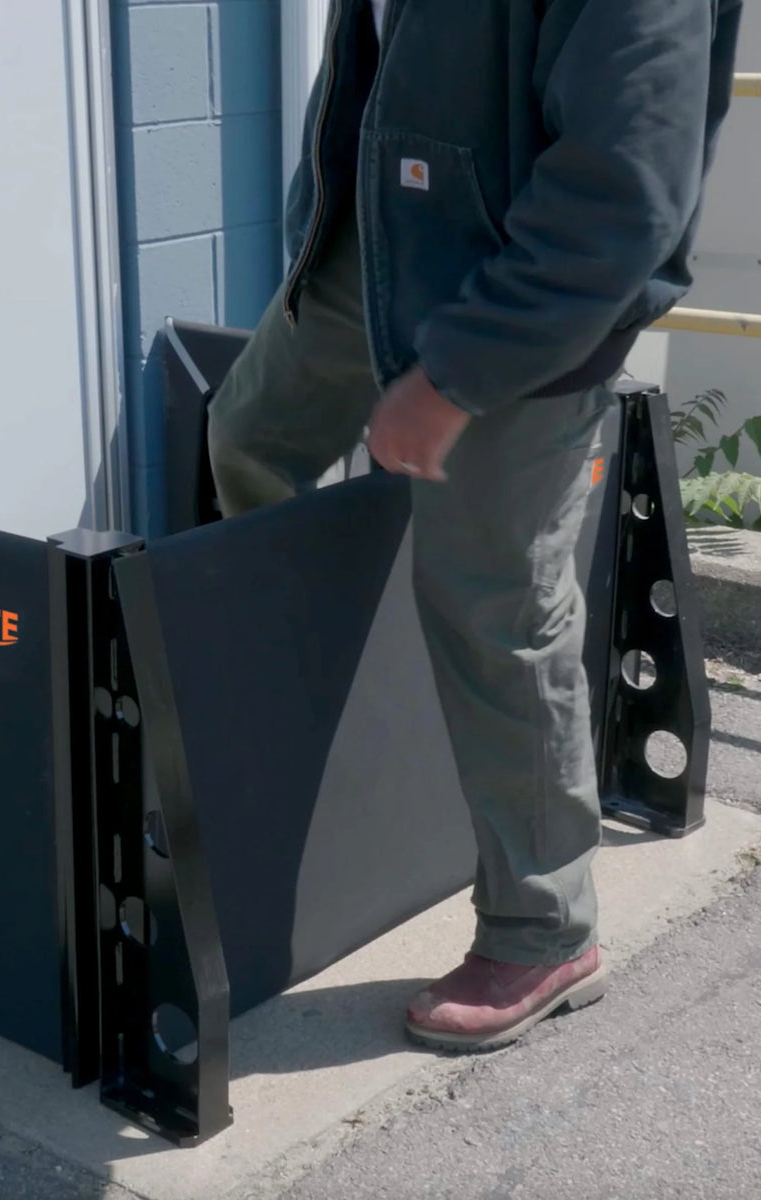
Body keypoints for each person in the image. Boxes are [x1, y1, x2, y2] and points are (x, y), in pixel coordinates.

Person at [208, 0, 741, 1050]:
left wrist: (453, 376)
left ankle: (544, 930)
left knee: (498, 608)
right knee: (246, 437)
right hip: (375, 247)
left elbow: (622, 191)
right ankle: (321, 739)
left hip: (522, 298)